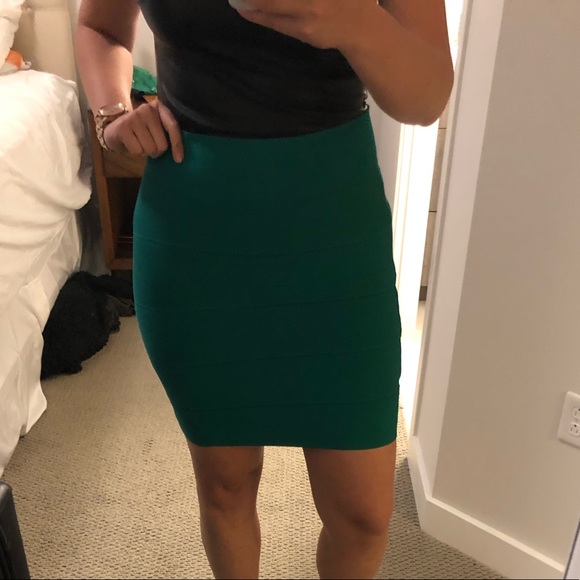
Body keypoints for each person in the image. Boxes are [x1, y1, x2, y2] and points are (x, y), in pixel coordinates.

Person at [75, 1, 453, 578]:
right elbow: (98, 26)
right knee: (224, 485)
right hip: (197, 230)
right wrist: (111, 114)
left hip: (332, 227)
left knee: (363, 516)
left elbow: (425, 98)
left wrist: (354, 21)